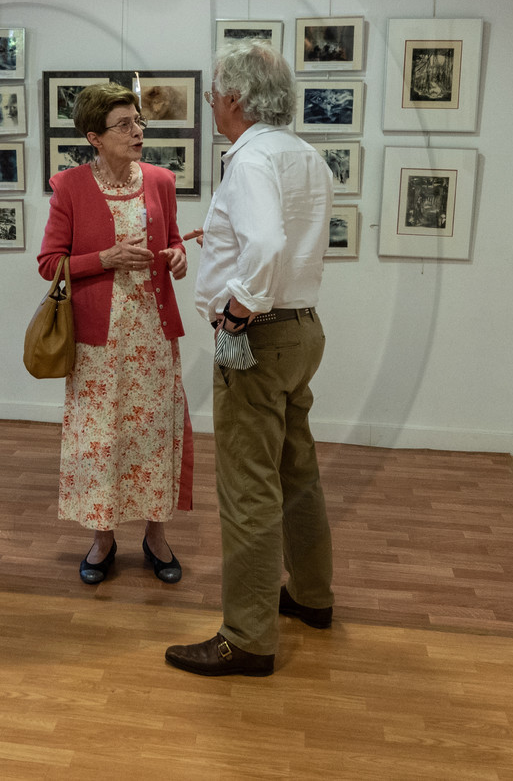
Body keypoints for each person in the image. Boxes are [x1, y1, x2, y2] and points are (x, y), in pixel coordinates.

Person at [165, 40, 335, 677]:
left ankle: (249, 636)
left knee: (246, 488)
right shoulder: (302, 154)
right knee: (298, 469)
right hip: (302, 330)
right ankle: (312, 598)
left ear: (233, 98)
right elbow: (278, 238)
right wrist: (225, 242)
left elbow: (264, 242)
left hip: (258, 339)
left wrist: (238, 310)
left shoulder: (251, 159)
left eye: (212, 95)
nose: (211, 104)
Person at [37, 82, 193, 585]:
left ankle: (156, 536)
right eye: (124, 124)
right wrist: (104, 259)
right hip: (96, 344)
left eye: (138, 121)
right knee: (100, 441)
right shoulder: (70, 187)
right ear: (94, 137)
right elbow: (48, 264)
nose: (137, 131)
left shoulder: (161, 181)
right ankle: (102, 538)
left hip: (151, 336)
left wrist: (178, 257)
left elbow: (171, 243)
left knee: (152, 438)